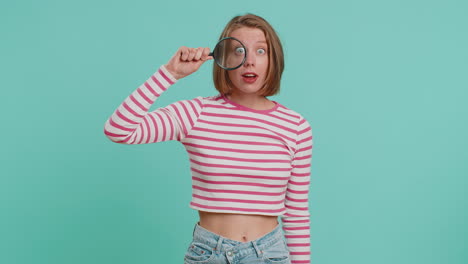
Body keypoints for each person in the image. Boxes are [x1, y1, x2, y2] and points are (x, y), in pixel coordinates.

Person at [104, 13, 312, 264]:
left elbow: (296, 213)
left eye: (260, 51)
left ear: (273, 59)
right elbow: (119, 129)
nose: (249, 62)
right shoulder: (196, 113)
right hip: (209, 254)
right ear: (222, 58)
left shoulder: (296, 126)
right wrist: (169, 73)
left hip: (271, 254)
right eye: (238, 51)